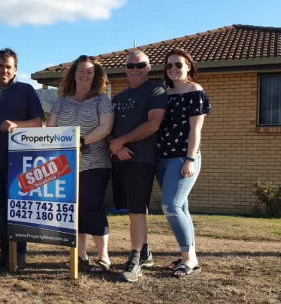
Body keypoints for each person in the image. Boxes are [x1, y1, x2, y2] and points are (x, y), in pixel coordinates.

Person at [0, 48, 44, 269]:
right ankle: (5, 252)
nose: (4, 70)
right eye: (0, 66)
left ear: (15, 69)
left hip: (21, 162)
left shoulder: (26, 91)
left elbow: (38, 122)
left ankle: (20, 253)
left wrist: (17, 125)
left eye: (9, 67)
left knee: (19, 207)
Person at [46, 55, 114, 271]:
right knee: (73, 209)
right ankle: (80, 256)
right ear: (73, 74)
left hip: (95, 162)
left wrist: (81, 141)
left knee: (92, 206)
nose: (85, 75)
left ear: (96, 76)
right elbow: (51, 129)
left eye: (89, 71)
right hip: (66, 164)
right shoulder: (61, 101)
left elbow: (106, 127)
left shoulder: (101, 100)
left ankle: (103, 258)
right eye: (81, 70)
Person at [109, 50, 167, 282]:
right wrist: (115, 147)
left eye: (140, 65)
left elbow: (153, 124)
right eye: (131, 66)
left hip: (142, 159)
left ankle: (135, 260)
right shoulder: (118, 98)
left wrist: (122, 141)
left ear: (148, 67)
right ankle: (145, 250)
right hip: (118, 158)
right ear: (125, 69)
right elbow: (108, 127)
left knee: (137, 209)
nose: (135, 70)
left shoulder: (156, 91)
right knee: (130, 210)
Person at [156, 48, 211, 278]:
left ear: (188, 65)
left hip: (183, 158)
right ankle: (189, 255)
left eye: (178, 64)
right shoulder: (163, 93)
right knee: (182, 208)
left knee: (171, 206)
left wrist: (189, 159)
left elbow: (196, 129)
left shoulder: (194, 91)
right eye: (169, 66)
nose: (173, 69)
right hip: (161, 158)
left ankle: (189, 261)